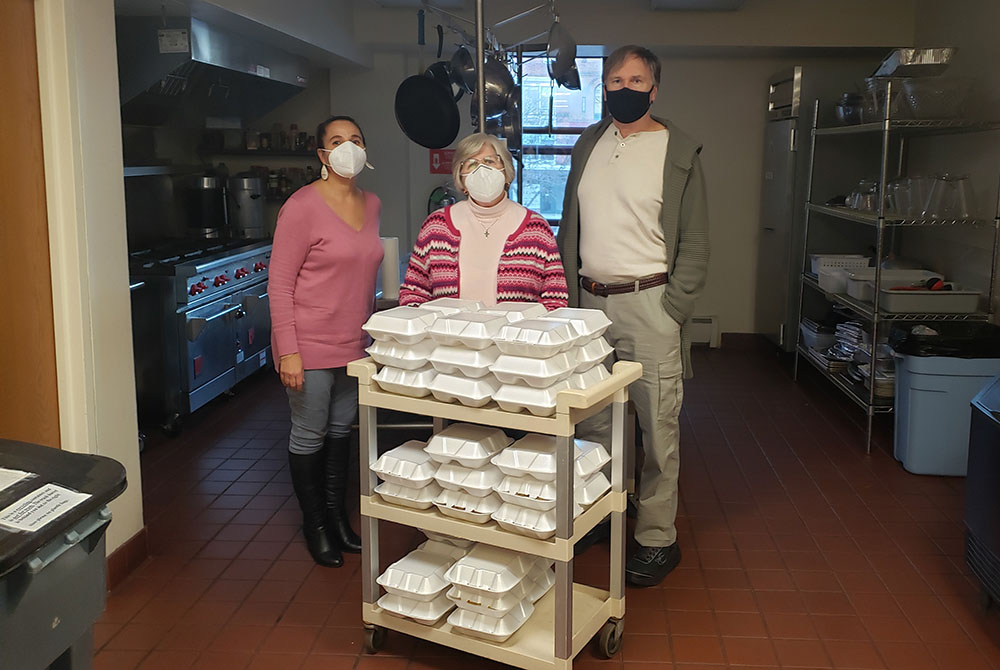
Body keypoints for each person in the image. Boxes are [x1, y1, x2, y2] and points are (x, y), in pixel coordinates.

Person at [557, 45, 710, 587]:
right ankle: (601, 512)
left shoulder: (679, 151)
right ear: (605, 87)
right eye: (616, 79)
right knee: (595, 422)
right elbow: (571, 225)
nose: (625, 87)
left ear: (654, 87)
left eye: (636, 79)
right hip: (589, 305)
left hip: (651, 305)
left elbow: (695, 240)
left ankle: (655, 538)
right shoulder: (589, 144)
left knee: (657, 427)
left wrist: (673, 308)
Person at [269, 115, 383, 567]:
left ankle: (338, 521)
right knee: (310, 433)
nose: (348, 148)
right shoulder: (301, 206)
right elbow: (278, 284)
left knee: (341, 433)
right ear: (322, 155)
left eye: (356, 139)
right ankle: (315, 525)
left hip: (354, 342)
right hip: (308, 345)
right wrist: (289, 351)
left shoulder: (372, 204)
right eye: (337, 142)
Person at [400, 133, 568, 310]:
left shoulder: (536, 229)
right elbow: (413, 293)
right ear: (461, 178)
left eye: (489, 161)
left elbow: (555, 300)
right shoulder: (436, 226)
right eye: (471, 164)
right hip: (449, 337)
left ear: (506, 170)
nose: (481, 170)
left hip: (513, 337)